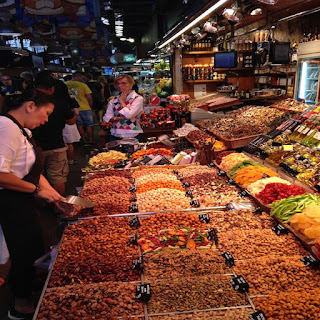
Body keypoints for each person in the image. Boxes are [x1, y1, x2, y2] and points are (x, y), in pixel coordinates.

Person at [0, 90, 64, 319]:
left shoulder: (20, 130)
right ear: (30, 106)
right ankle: (20, 304)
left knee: (33, 245)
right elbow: (1, 174)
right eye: (45, 113)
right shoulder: (6, 127)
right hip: (10, 202)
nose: (46, 120)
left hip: (23, 199)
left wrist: (54, 194)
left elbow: (32, 169)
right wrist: (37, 191)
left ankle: (31, 292)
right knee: (22, 250)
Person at [32, 72, 76, 195]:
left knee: (37, 177)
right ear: (52, 88)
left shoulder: (27, 101)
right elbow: (72, 121)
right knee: (58, 177)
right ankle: (58, 208)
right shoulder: (59, 102)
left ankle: (43, 207)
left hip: (35, 147)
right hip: (56, 145)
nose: (45, 119)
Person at [103, 74, 143, 141]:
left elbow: (128, 115)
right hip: (115, 134)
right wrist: (123, 118)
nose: (120, 86)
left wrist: (122, 102)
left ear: (131, 84)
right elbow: (106, 118)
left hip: (132, 134)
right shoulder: (113, 100)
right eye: (118, 84)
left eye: (124, 83)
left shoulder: (138, 99)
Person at [65, 72, 94, 145]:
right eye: (82, 78)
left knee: (79, 125)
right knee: (89, 125)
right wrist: (90, 106)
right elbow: (89, 97)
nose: (83, 79)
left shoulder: (65, 84)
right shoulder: (83, 85)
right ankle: (90, 140)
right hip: (85, 108)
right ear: (78, 76)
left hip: (72, 108)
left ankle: (83, 141)